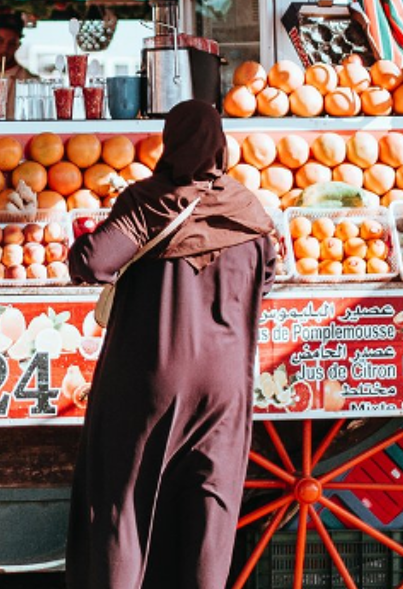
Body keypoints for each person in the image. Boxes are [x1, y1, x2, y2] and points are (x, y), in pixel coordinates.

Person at [63, 99, 277, 589]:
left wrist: (81, 245)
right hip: (225, 385)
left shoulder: (151, 200)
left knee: (126, 500)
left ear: (170, 142)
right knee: (208, 500)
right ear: (222, 146)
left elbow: (94, 262)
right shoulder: (249, 209)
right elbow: (266, 277)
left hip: (152, 377)